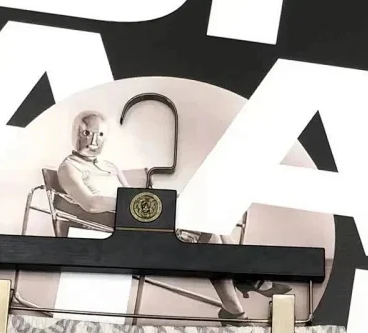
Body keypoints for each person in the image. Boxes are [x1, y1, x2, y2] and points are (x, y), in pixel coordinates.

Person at [57, 110, 289, 321]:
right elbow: (91, 204)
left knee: (210, 221)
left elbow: (133, 194)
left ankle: (237, 306)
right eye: (86, 133)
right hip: (122, 233)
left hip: (140, 219)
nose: (93, 141)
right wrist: (139, 203)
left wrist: (149, 202)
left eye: (99, 134)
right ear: (75, 132)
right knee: (208, 232)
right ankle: (240, 292)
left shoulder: (110, 166)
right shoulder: (69, 167)